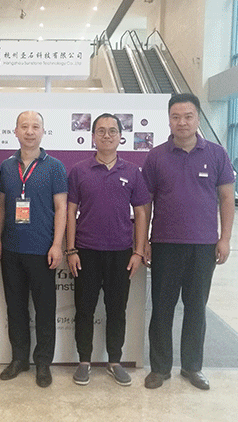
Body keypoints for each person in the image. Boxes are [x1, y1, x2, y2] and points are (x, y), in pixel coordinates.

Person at [142, 93, 235, 390]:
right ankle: (160, 368)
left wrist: (224, 239)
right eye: (176, 117)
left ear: (197, 118)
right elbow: (145, 203)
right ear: (169, 120)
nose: (182, 122)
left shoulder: (217, 154)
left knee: (196, 308)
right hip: (165, 243)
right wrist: (143, 241)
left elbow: (227, 198)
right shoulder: (156, 156)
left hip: (203, 245)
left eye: (188, 116)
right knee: (162, 308)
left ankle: (192, 367)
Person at [66, 113, 151, 387]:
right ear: (93, 136)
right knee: (84, 309)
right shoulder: (79, 170)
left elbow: (141, 212)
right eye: (101, 131)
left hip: (121, 253)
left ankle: (115, 361)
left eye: (112, 131)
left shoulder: (132, 172)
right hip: (86, 252)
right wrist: (70, 249)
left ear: (120, 137)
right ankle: (84, 362)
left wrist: (138, 252)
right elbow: (70, 211)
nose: (107, 135)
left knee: (117, 310)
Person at [0, 111, 67, 388]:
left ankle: (43, 362)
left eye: (35, 126)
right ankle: (19, 359)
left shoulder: (55, 167)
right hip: (12, 248)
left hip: (42, 249)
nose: (30, 131)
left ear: (43, 132)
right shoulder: (7, 166)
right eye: (24, 126)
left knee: (45, 310)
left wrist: (57, 245)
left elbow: (61, 208)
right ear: (16, 131)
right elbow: (1, 205)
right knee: (16, 307)